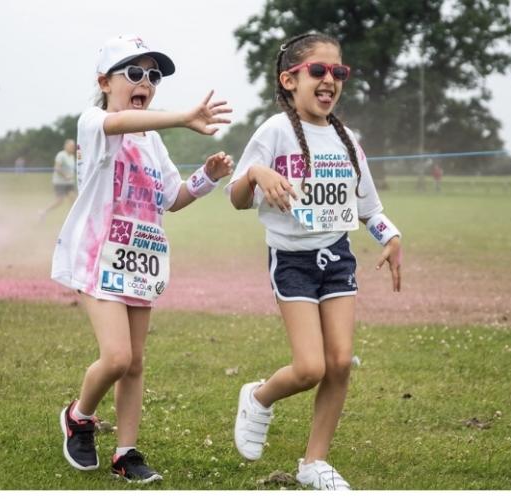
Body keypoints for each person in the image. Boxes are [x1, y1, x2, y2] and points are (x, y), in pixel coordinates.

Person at [51, 34, 233, 483]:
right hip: (98, 259)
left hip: (140, 260)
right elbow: (122, 123)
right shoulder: (94, 123)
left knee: (134, 363)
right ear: (105, 81)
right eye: (133, 72)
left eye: (152, 76)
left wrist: (207, 179)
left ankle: (126, 453)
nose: (146, 82)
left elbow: (173, 197)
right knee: (115, 357)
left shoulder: (152, 140)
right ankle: (78, 416)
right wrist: (185, 117)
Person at [226, 32, 402, 490]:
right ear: (289, 80)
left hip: (338, 259)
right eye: (318, 71)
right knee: (310, 368)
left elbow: (369, 210)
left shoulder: (348, 141)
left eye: (338, 72)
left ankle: (314, 463)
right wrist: (256, 173)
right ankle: (259, 397)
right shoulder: (273, 131)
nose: (330, 80)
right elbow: (236, 198)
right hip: (292, 261)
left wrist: (391, 236)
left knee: (340, 362)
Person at [38, 139, 77, 220]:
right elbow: (57, 168)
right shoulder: (61, 155)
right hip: (60, 182)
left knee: (74, 199)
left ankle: (74, 218)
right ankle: (43, 212)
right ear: (66, 146)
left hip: (69, 182)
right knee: (59, 201)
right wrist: (65, 176)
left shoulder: (72, 156)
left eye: (73, 146)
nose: (73, 148)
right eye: (71, 146)